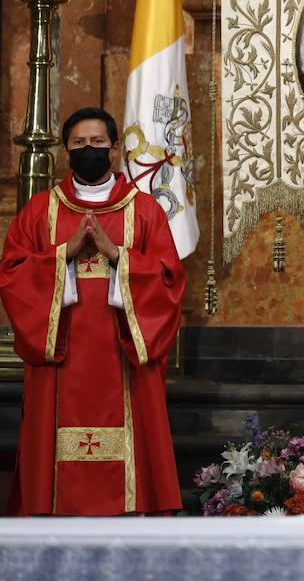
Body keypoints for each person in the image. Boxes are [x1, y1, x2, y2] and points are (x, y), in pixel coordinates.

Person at [0, 107, 185, 515]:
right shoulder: (41, 210)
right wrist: (63, 254)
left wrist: (116, 254)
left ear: (115, 149)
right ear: (66, 149)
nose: (89, 150)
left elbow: (170, 281)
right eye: (79, 143)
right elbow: (12, 274)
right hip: (61, 359)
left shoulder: (146, 211)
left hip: (122, 357)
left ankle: (134, 515)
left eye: (98, 143)